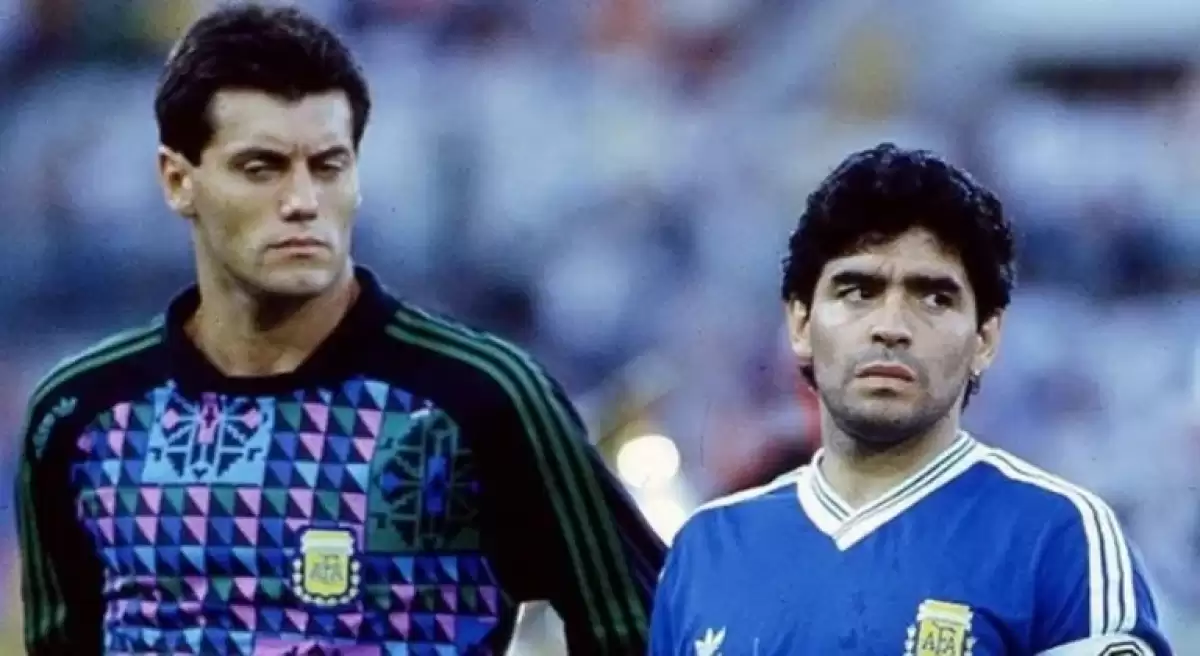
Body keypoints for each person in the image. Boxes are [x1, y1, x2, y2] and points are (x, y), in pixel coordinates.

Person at [15, 5, 664, 654]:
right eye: (261, 168)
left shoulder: (479, 398)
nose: (302, 201)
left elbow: (644, 629)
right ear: (178, 181)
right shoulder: (79, 413)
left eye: (328, 165)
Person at [649, 143, 1173, 655]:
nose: (891, 326)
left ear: (985, 338)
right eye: (858, 291)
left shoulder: (1058, 538)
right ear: (801, 323)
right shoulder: (706, 549)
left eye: (934, 298)